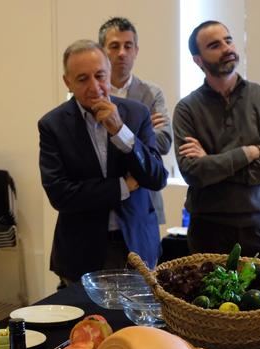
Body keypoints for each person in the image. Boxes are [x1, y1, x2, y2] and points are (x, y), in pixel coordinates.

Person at [38, 39, 168, 286]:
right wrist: (122, 187)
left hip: (136, 245)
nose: (94, 87)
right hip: (82, 251)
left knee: (138, 324)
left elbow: (156, 177)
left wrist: (121, 132)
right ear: (67, 82)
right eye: (82, 79)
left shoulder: (136, 114)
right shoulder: (53, 125)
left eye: (100, 76)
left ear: (109, 74)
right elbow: (60, 194)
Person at [173, 20, 260, 269]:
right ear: (198, 60)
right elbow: (193, 173)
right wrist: (249, 152)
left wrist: (212, 163)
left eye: (228, 40)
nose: (226, 48)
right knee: (208, 307)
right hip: (208, 232)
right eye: (214, 45)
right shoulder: (187, 109)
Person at [98, 17, 173, 225]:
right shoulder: (92, 93)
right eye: (114, 46)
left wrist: (117, 131)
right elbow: (91, 145)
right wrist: (144, 129)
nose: (122, 52)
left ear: (136, 51)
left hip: (144, 197)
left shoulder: (152, 93)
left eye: (128, 46)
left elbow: (165, 141)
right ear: (102, 51)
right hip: (102, 199)